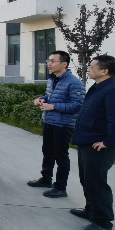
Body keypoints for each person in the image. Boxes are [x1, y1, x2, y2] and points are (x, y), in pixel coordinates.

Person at [70, 55, 115, 230]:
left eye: (92, 66)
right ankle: (91, 210)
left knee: (97, 183)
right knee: (87, 180)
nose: (88, 69)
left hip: (100, 145)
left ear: (104, 71)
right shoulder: (99, 87)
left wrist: (109, 142)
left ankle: (102, 222)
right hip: (88, 142)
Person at [27, 51, 85, 198]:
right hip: (49, 121)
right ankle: (46, 179)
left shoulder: (74, 82)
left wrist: (53, 106)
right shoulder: (53, 79)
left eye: (53, 61)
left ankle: (60, 187)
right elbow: (50, 96)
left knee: (61, 156)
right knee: (47, 152)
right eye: (49, 61)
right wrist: (42, 99)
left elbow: (77, 105)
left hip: (63, 124)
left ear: (64, 64)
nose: (49, 63)